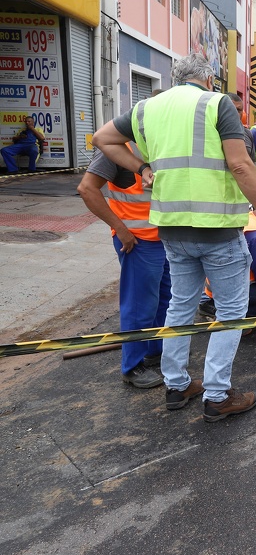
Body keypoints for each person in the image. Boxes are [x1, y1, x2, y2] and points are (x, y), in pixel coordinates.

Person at [93, 52, 256, 423]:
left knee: (180, 305)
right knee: (230, 312)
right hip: (217, 229)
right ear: (208, 79)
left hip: (171, 228)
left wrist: (141, 166)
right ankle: (217, 396)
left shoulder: (148, 108)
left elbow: (102, 138)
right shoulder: (217, 103)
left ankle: (176, 385)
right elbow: (240, 164)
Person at [77, 144, 171, 389]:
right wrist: (120, 229)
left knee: (164, 300)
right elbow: (87, 189)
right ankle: (132, 366)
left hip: (165, 238)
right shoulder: (119, 147)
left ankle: (155, 350)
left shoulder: (165, 139)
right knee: (139, 304)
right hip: (137, 241)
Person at [203, 187, 256, 320]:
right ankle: (226, 314)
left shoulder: (249, 219)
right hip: (227, 291)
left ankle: (217, 306)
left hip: (219, 285)